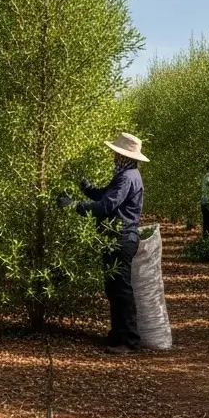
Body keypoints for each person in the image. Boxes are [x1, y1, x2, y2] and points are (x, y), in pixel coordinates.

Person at [59, 132, 149, 355]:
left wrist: (74, 206)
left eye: (116, 153)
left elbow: (105, 207)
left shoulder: (127, 177)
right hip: (115, 238)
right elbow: (103, 196)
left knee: (121, 290)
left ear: (123, 156)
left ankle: (129, 341)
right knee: (114, 289)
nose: (113, 156)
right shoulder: (125, 175)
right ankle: (118, 334)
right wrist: (85, 186)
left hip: (121, 238)